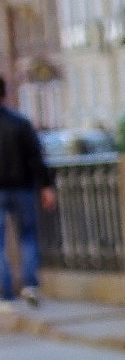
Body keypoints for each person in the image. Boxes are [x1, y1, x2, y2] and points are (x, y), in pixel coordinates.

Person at [0, 74, 56, 309]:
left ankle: (5, 295)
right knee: (28, 237)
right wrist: (46, 185)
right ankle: (30, 284)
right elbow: (36, 157)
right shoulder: (20, 122)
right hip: (22, 187)